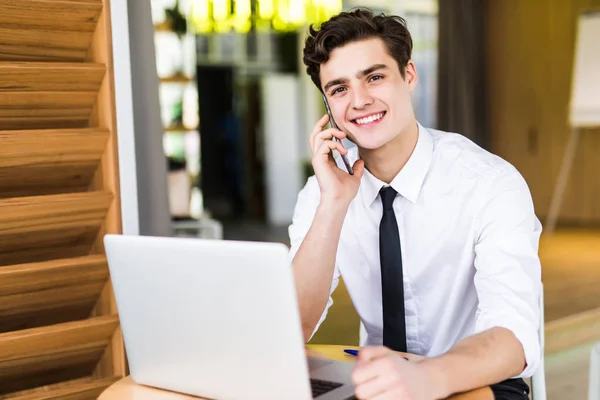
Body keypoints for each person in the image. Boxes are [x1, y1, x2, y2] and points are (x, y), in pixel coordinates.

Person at [288, 7, 542, 400]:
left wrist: (427, 380)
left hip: (474, 380)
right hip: (378, 382)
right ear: (328, 105)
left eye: (374, 77)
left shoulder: (490, 184)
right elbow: (292, 328)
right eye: (339, 89)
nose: (359, 101)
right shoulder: (323, 192)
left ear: (409, 75)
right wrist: (332, 205)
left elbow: (514, 338)